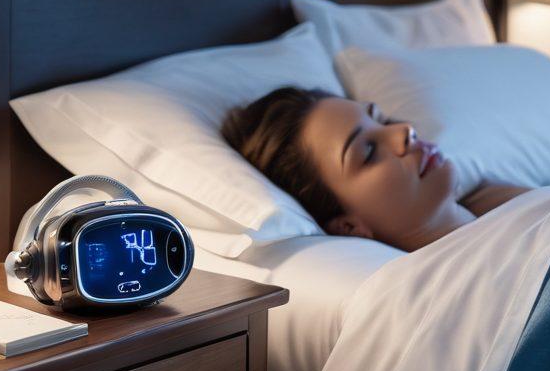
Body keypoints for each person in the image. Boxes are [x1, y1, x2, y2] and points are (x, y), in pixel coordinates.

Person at [222, 87, 528, 252]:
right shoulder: (465, 290)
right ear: (349, 226)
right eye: (368, 151)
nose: (404, 131)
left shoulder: (507, 201)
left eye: (381, 120)